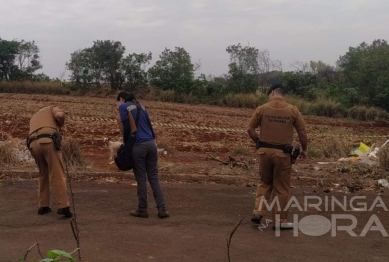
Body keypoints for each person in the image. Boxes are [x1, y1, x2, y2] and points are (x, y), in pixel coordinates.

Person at [247, 83, 307, 230]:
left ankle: (258, 213)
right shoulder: (293, 110)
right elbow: (302, 133)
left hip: (264, 152)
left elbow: (250, 129)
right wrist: (304, 149)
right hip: (282, 155)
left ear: (272, 92)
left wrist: (258, 142)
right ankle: (280, 222)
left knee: (265, 183)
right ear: (282, 94)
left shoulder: (262, 109)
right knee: (281, 188)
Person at [116, 91, 169, 219]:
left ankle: (142, 209)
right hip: (151, 144)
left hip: (138, 146)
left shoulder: (123, 107)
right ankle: (162, 209)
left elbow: (127, 128)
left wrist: (126, 144)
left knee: (141, 178)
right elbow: (150, 126)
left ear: (122, 99)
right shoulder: (143, 106)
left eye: (118, 100)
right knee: (154, 177)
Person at [27, 106, 72, 218]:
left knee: (43, 173)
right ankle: (63, 206)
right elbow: (60, 115)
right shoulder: (52, 108)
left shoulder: (34, 116)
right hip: (47, 141)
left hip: (33, 145)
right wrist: (61, 123)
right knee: (57, 173)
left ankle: (44, 205)